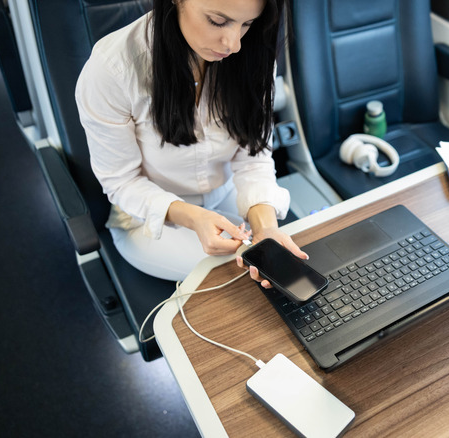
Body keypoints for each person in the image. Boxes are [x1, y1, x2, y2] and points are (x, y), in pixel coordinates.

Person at [75, 0, 304, 285]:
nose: (233, 44)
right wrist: (193, 217)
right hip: (148, 218)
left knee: (275, 257)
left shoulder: (254, 53)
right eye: (218, 21)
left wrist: (266, 227)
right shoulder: (112, 70)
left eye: (247, 24)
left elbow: (253, 156)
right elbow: (121, 182)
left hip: (226, 194)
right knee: (241, 278)